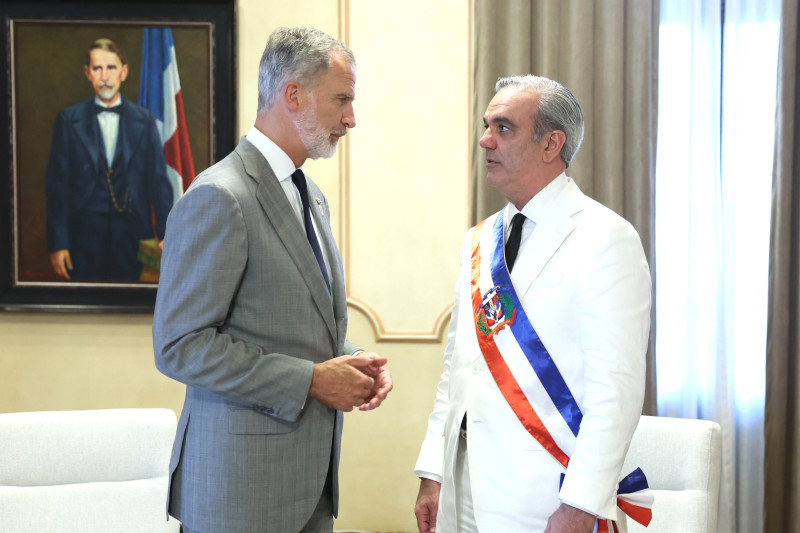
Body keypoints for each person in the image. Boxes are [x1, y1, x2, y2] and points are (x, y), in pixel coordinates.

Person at [153, 26, 393, 533]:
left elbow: (289, 322)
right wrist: (311, 380)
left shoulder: (310, 194)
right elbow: (180, 346)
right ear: (293, 95)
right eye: (342, 100)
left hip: (308, 492)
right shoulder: (219, 196)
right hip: (238, 492)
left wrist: (350, 360)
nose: (351, 118)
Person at [413, 75, 652, 533]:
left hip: (546, 495)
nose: (485, 140)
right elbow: (457, 369)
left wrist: (581, 504)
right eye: (487, 126)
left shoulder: (606, 238)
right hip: (463, 490)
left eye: (504, 128)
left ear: (551, 144)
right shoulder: (478, 240)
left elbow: (616, 393)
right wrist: (433, 471)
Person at [46, 38, 172, 281]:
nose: (104, 76)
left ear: (123, 73)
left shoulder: (144, 120)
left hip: (132, 234)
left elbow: (158, 180)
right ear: (88, 73)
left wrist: (167, 233)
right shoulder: (68, 120)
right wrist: (58, 242)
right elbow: (57, 188)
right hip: (82, 235)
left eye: (111, 68)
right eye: (97, 68)